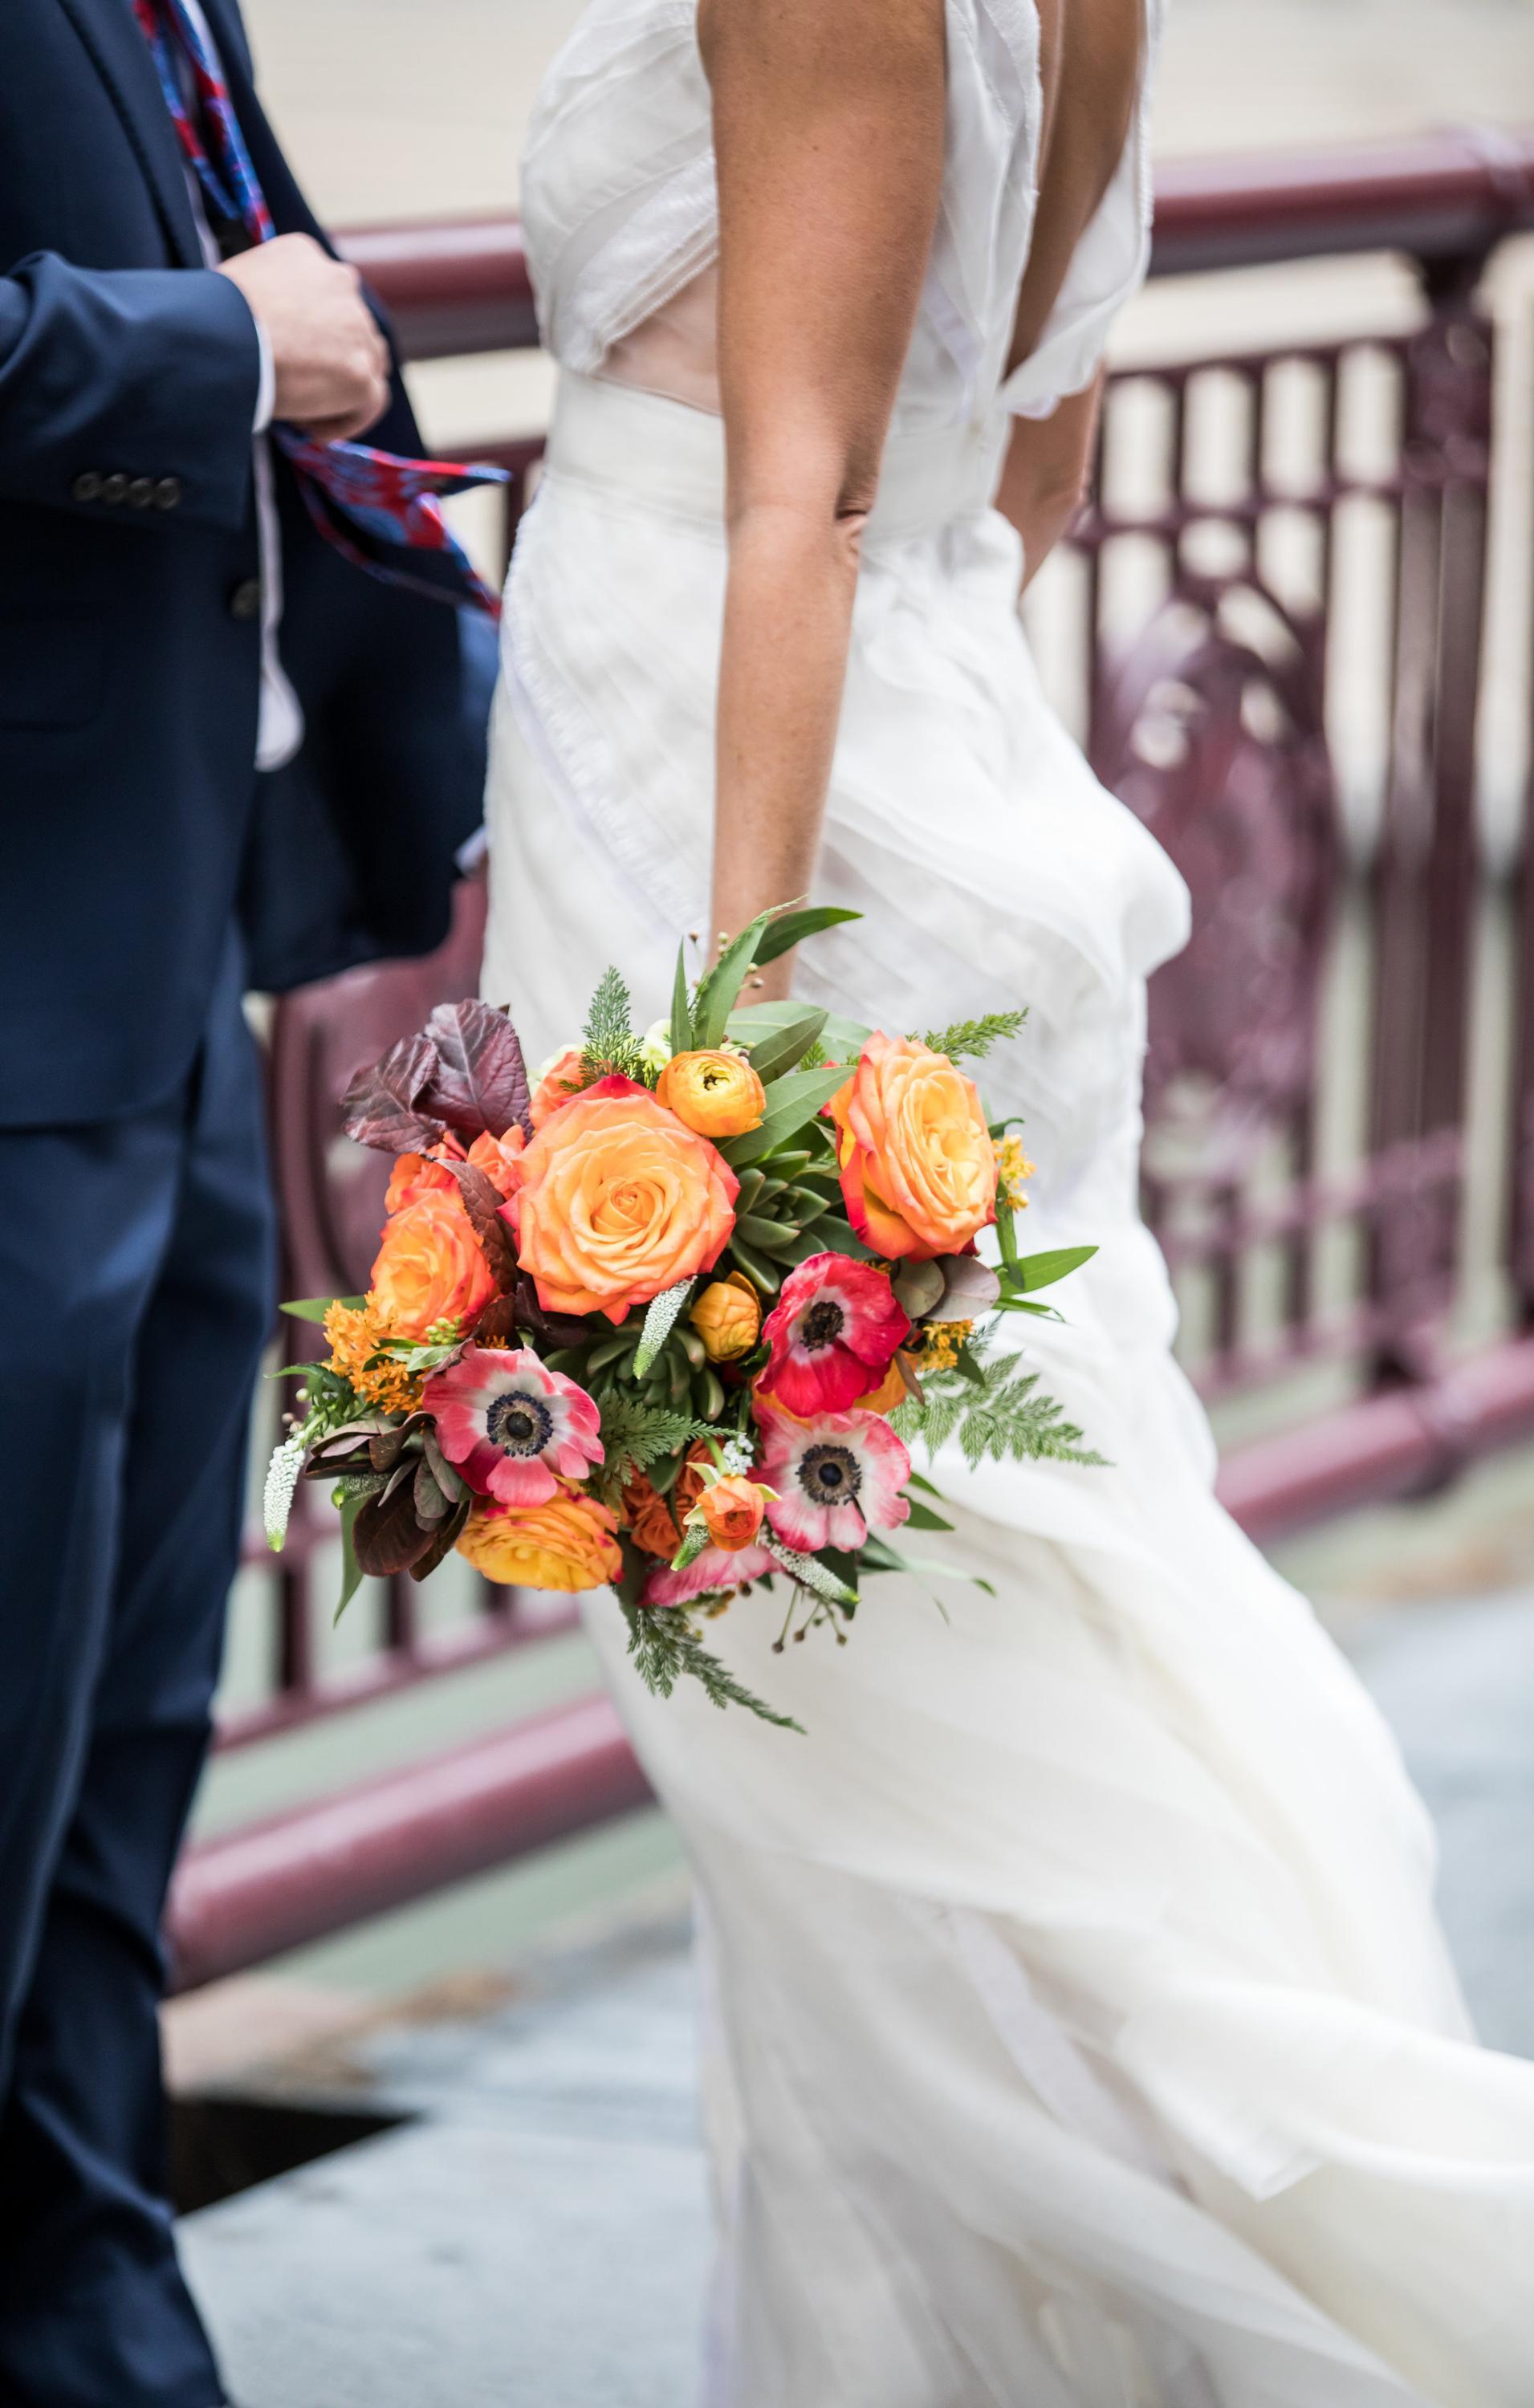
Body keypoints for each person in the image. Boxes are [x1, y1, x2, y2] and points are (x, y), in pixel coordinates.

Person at [485, 0, 1534, 2398]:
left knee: (836, 1698)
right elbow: (1026, 447)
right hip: (921, 765)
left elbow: (806, 501)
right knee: (961, 1646)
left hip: (731, 814)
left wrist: (709, 1059)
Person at [0, 2, 491, 2401]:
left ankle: (96, 2317)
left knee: (114, 1756)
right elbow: (235, 327)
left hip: (168, 942)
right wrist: (215, 344)